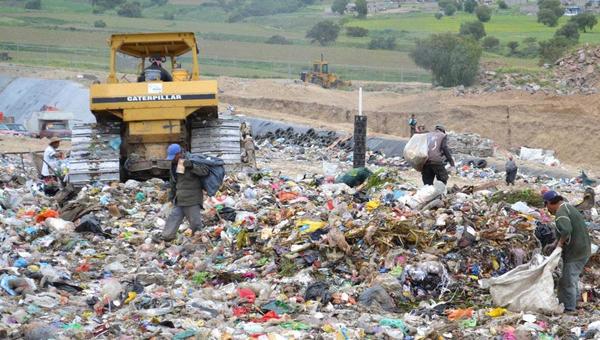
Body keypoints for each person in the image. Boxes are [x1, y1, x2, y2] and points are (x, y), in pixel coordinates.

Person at [543, 191, 591, 313]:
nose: (547, 209)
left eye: (546, 204)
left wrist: (559, 245)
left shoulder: (561, 212)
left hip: (576, 252)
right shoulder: (568, 207)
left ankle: (570, 308)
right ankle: (571, 303)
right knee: (571, 278)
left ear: (549, 203)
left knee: (567, 280)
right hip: (582, 249)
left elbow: (566, 230)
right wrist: (554, 243)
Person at [154, 144, 209, 242]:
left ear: (179, 154)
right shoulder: (175, 164)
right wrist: (171, 196)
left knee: (195, 224)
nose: (172, 159)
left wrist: (191, 166)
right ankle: (167, 237)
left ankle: (199, 241)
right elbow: (174, 182)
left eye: (174, 157)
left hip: (192, 199)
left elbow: (204, 171)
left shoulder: (191, 159)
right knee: (173, 218)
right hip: (179, 199)